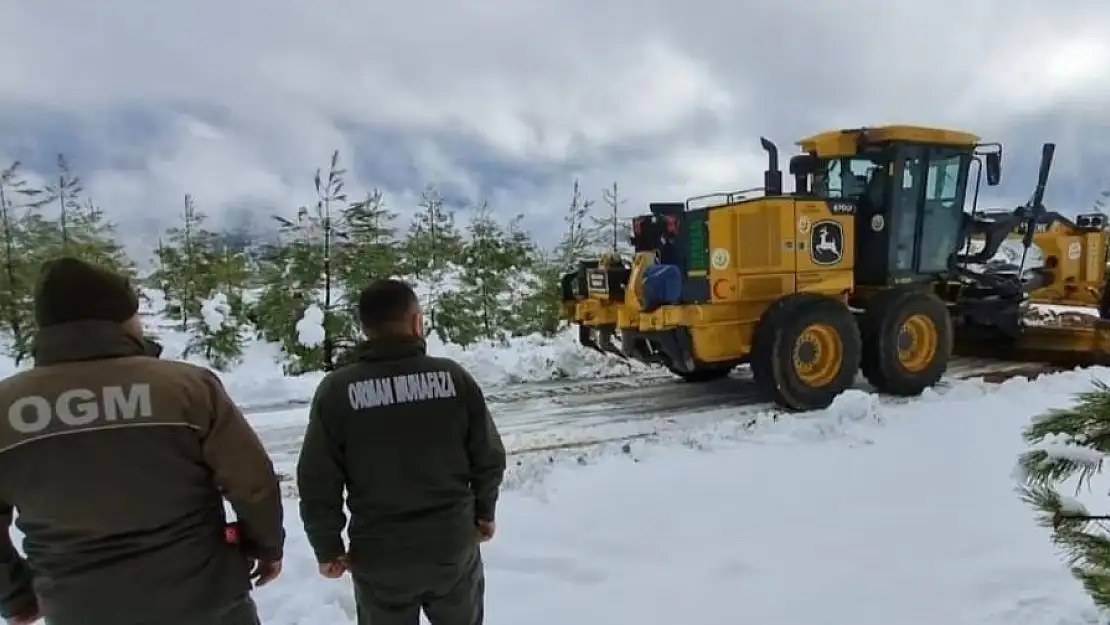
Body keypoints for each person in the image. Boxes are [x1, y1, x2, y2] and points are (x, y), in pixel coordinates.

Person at [0, 257, 285, 625]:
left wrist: (14, 594)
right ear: (120, 319)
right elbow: (253, 483)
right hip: (205, 598)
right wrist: (264, 545)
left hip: (79, 607)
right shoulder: (187, 388)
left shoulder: (6, 410)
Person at [297, 278, 506, 625]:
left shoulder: (337, 391)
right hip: (450, 546)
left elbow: (318, 479)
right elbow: (488, 458)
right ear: (416, 322)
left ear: (365, 329)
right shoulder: (453, 379)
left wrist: (328, 547)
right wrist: (484, 513)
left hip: (379, 555)